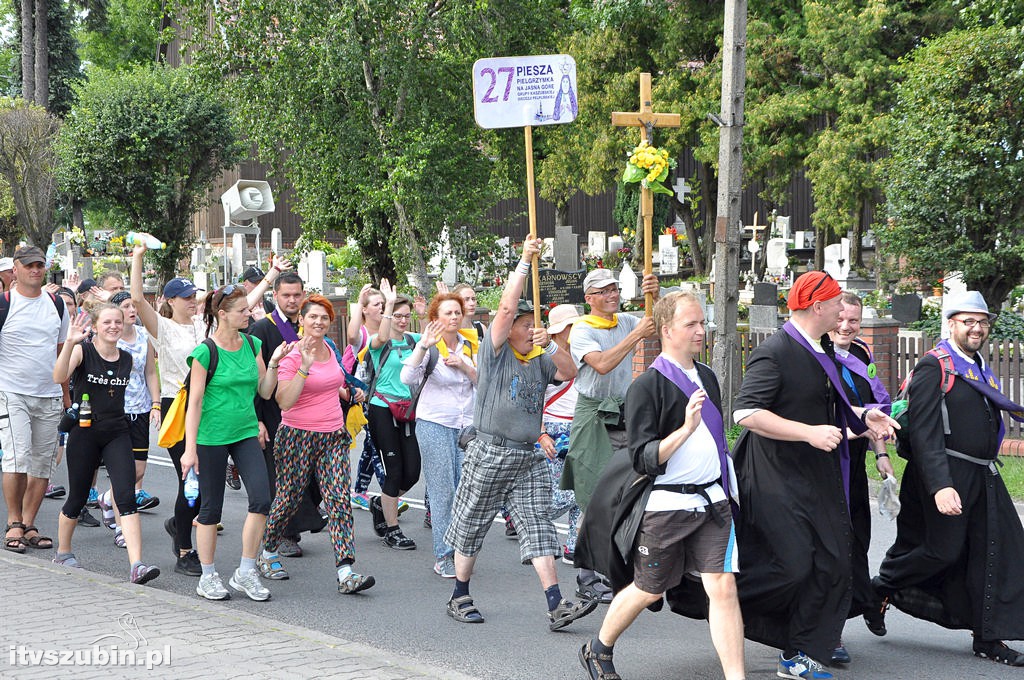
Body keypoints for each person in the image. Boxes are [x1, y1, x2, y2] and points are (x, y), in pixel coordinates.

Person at [731, 271, 895, 679]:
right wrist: (807, 433)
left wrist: (864, 416)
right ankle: (721, 603)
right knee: (793, 565)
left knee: (833, 561)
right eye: (837, 303)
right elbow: (745, 413)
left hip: (815, 475)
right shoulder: (776, 350)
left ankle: (798, 652)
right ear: (818, 306)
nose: (844, 311)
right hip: (776, 477)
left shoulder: (820, 349)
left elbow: (826, 405)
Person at [578, 291, 744, 680]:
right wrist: (685, 430)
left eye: (702, 322)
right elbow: (642, 458)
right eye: (692, 324)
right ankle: (598, 647)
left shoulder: (706, 376)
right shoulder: (646, 386)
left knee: (722, 588)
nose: (701, 330)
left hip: (712, 501)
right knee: (648, 589)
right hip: (667, 505)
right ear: (667, 330)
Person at [443, 237, 595, 631]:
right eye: (525, 325)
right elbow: (508, 306)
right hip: (490, 451)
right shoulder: (495, 352)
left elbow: (570, 371)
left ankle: (556, 604)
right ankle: (459, 595)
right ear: (508, 328)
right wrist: (526, 260)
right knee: (472, 523)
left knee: (539, 524)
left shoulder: (538, 359)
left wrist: (552, 346)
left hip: (526, 455)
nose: (530, 330)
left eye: (532, 325)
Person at [874, 291, 1024, 666]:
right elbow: (925, 433)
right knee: (943, 550)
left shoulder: (976, 366)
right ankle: (880, 586)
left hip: (982, 474)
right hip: (946, 474)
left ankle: (988, 638)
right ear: (951, 324)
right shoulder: (934, 366)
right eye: (968, 321)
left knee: (995, 553)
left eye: (982, 321)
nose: (976, 328)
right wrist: (941, 485)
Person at [130, 237, 286, 576]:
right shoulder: (163, 327)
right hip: (181, 404)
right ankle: (184, 548)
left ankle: (181, 526)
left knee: (203, 488)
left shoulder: (205, 326)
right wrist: (138, 258)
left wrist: (271, 275)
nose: (192, 302)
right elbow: (138, 299)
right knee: (193, 483)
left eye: (194, 296)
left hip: (218, 402)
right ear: (170, 301)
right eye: (185, 297)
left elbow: (240, 307)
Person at [260, 295, 375, 593]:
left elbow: (333, 381)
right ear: (302, 320)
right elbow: (284, 401)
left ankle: (346, 571)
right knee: (289, 498)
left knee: (338, 500)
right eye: (313, 317)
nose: (319, 322)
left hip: (333, 435)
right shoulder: (291, 354)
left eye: (324, 318)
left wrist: (349, 391)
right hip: (297, 435)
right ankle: (268, 550)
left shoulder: (330, 348)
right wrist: (304, 368)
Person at [182, 285, 290, 602]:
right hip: (211, 437)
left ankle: (245, 571)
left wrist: (273, 365)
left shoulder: (252, 343)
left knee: (262, 498)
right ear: (222, 314)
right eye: (242, 310)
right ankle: (208, 575)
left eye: (248, 309)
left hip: (245, 432)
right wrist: (190, 450)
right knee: (210, 509)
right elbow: (195, 403)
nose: (249, 314)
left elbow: (266, 391)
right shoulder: (205, 352)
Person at [561, 267, 658, 601]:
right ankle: (586, 576)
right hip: (593, 417)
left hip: (623, 412)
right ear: (589, 299)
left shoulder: (625, 321)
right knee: (594, 495)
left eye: (615, 288)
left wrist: (654, 294)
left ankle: (615, 569)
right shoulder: (583, 329)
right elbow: (601, 364)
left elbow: (657, 324)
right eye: (604, 291)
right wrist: (636, 335)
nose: (612, 294)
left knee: (626, 491)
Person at [50, 303, 159, 584]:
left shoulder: (126, 358)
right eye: (107, 322)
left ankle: (137, 565)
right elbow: (58, 377)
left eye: (118, 322)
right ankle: (63, 552)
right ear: (95, 326)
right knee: (77, 497)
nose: (113, 327)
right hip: (85, 432)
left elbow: (145, 378)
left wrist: (154, 404)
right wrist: (70, 343)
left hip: (117, 432)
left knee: (126, 498)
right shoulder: (82, 350)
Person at [828, 291, 895, 664]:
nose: (846, 326)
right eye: (841, 318)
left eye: (853, 320)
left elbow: (874, 410)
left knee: (857, 545)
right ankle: (831, 631)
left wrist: (882, 455)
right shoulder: (818, 357)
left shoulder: (862, 355)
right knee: (834, 549)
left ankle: (866, 600)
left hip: (853, 467)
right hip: (825, 463)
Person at [400, 292, 477, 578]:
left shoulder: (471, 345)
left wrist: (466, 367)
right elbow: (407, 378)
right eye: (448, 313)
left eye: (457, 312)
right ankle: (444, 556)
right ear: (436, 319)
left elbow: (483, 384)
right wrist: (422, 346)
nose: (454, 317)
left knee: (465, 492)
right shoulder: (430, 348)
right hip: (434, 423)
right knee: (444, 490)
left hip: (467, 426)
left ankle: (462, 551)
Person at [249, 272, 324, 558]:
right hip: (272, 414)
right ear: (275, 297)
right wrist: (256, 420)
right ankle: (283, 533)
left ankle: (294, 525)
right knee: (283, 478)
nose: (292, 300)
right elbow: (254, 381)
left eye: (297, 295)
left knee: (311, 475)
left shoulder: (310, 324)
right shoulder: (262, 329)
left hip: (308, 414)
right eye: (286, 295)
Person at [1, 246, 69, 555]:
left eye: (40, 264)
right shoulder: (4, 304)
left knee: (43, 464)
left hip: (49, 394)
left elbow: (61, 353)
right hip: (11, 391)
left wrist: (66, 395)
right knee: (17, 457)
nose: (36, 270)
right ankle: (13, 521)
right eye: (29, 265)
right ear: (15, 270)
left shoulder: (56, 304)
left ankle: (29, 524)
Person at [92, 292, 162, 547]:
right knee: (122, 474)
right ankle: (122, 529)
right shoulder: (109, 338)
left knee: (138, 470)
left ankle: (107, 498)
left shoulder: (145, 336)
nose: (132, 310)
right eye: (126, 306)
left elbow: (151, 372)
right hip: (116, 411)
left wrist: (155, 404)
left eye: (134, 305)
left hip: (141, 409)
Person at [536, 305, 590, 593]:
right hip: (555, 429)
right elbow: (534, 399)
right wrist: (541, 432)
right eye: (571, 327)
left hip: (581, 426)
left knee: (581, 488)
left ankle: (574, 544)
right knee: (561, 493)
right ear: (559, 331)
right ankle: (529, 518)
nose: (575, 330)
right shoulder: (546, 357)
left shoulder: (583, 351)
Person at [365, 281, 421, 549]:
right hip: (382, 408)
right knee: (395, 470)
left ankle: (382, 502)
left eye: (405, 316)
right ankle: (392, 529)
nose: (402, 320)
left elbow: (437, 340)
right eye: (397, 315)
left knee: (412, 473)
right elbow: (383, 336)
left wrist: (423, 315)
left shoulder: (413, 340)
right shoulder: (378, 342)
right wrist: (388, 304)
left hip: (407, 409)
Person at [347, 284, 388, 511]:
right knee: (376, 442)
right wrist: (359, 302)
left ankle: (359, 491)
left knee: (371, 445)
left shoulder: (387, 330)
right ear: (365, 310)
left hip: (385, 395)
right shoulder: (362, 333)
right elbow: (351, 336)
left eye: (382, 303)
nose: (380, 307)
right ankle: (388, 493)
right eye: (376, 304)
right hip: (365, 395)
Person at [240, 265, 275, 330]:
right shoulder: (239, 309)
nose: (260, 286)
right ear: (245, 285)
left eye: (261, 282)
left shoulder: (269, 306)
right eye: (255, 283)